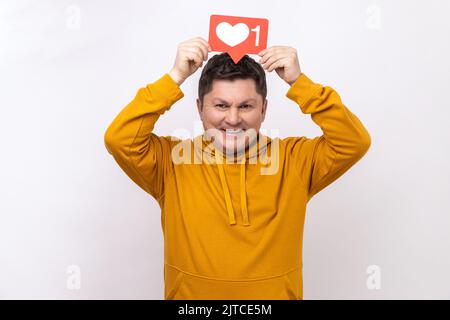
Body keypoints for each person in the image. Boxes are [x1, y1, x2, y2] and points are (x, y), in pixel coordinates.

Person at [104, 36, 371, 300]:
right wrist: (175, 76)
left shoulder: (295, 160)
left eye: (245, 106)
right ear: (200, 109)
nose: (232, 119)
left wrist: (299, 83)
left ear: (263, 110)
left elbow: (353, 142)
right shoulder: (172, 161)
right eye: (221, 105)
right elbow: (120, 139)